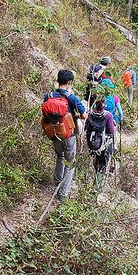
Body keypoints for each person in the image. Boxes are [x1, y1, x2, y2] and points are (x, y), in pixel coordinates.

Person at [42, 69, 87, 200]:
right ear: (69, 82)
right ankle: (62, 194)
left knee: (59, 157)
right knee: (70, 163)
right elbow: (84, 115)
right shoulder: (71, 97)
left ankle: (57, 181)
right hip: (68, 135)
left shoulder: (49, 96)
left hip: (54, 133)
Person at [85, 97, 116, 178]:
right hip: (103, 144)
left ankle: (93, 176)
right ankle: (98, 182)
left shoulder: (90, 113)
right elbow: (111, 131)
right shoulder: (108, 115)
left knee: (95, 162)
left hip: (91, 143)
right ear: (104, 104)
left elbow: (86, 127)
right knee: (103, 163)